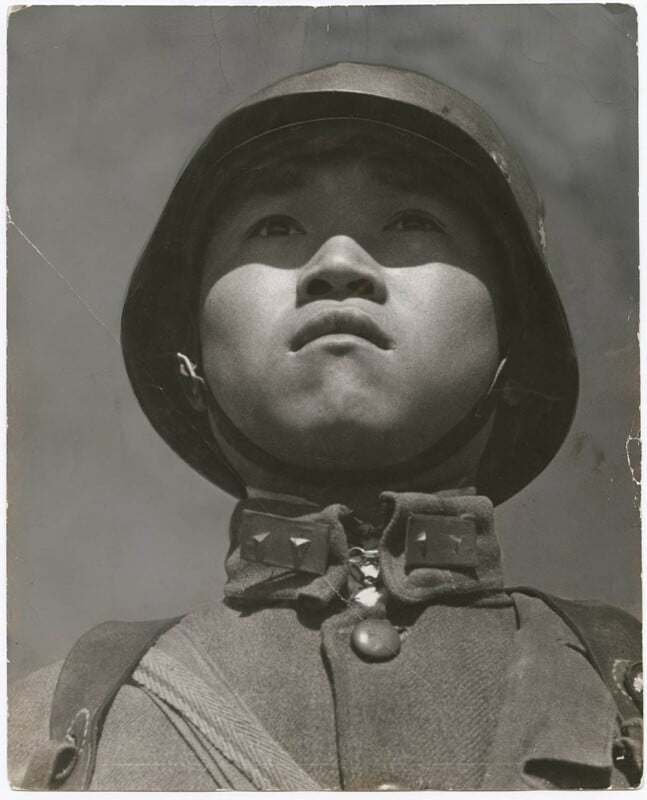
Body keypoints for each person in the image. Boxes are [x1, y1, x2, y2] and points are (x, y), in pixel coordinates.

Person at [9, 61, 642, 791]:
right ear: (192, 359)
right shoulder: (44, 733)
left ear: (512, 342)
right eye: (274, 226)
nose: (337, 264)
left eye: (412, 220)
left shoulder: (623, 688)